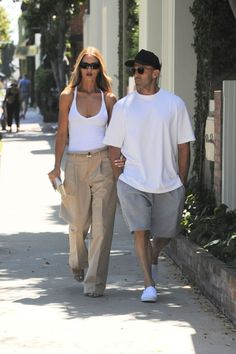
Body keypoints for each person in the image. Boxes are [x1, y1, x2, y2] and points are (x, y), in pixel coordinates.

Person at [103, 49, 195, 303]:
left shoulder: (174, 104)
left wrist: (182, 181)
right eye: (133, 70)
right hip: (133, 181)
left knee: (167, 233)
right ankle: (148, 284)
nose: (136, 75)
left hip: (168, 182)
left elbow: (184, 145)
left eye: (140, 70)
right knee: (140, 231)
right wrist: (119, 176)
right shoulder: (123, 107)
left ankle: (154, 253)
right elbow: (113, 146)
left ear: (155, 73)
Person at [48, 46, 117, 297]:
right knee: (77, 224)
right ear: (79, 68)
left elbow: (116, 137)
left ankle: (94, 283)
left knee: (102, 226)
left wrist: (119, 169)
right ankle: (77, 262)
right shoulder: (68, 96)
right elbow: (62, 133)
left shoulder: (109, 99)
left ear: (100, 69)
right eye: (85, 65)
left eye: (94, 65)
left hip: (102, 164)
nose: (90, 70)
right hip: (75, 163)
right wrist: (56, 167)